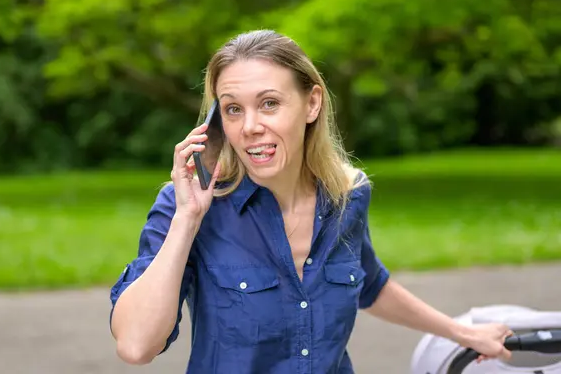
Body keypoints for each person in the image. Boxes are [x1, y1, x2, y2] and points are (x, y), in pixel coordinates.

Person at [109, 29, 513, 373]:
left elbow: (369, 283)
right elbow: (135, 345)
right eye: (233, 109)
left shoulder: (346, 198)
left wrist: (463, 333)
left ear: (312, 104)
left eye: (269, 103)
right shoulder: (186, 207)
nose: (250, 127)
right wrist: (187, 219)